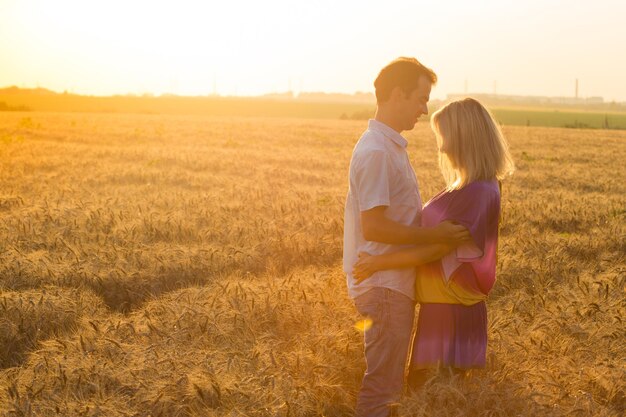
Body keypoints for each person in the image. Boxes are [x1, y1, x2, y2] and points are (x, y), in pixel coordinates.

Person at [353, 97, 515, 388]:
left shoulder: (477, 192)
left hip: (451, 311)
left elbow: (437, 249)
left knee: (432, 396)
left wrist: (379, 262)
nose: (442, 147)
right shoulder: (473, 186)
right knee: (434, 397)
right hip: (445, 307)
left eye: (444, 137)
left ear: (464, 138)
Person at [343, 57, 470, 417]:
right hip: (384, 286)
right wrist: (433, 234)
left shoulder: (388, 147)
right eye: (420, 97)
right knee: (382, 389)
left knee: (388, 386)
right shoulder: (376, 152)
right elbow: (375, 227)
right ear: (397, 93)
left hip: (391, 284)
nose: (424, 108)